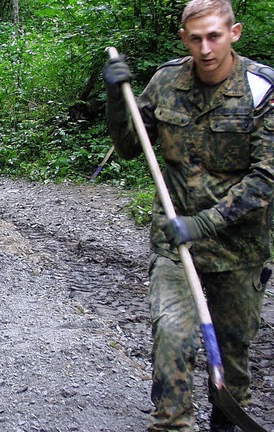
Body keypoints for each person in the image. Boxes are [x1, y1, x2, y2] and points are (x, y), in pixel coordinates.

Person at [103, 0, 274, 430]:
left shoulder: (261, 89)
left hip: (239, 249)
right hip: (173, 245)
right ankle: (172, 422)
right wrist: (113, 98)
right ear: (184, 38)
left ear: (234, 33)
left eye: (214, 36)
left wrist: (203, 223)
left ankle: (225, 421)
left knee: (233, 353)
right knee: (172, 337)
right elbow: (129, 146)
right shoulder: (166, 81)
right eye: (195, 38)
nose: (205, 48)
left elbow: (265, 180)